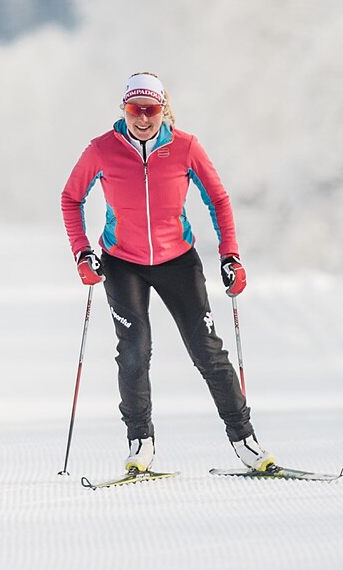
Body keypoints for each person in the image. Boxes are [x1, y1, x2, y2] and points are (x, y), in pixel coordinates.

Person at [61, 72, 272, 475]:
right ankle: (140, 444)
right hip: (122, 262)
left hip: (177, 260)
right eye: (134, 110)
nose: (142, 118)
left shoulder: (185, 147)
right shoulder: (102, 150)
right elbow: (71, 199)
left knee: (207, 350)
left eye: (151, 110)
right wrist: (82, 253)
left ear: (163, 109)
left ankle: (246, 442)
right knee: (135, 348)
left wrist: (231, 255)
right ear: (124, 109)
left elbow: (219, 200)